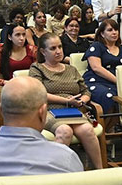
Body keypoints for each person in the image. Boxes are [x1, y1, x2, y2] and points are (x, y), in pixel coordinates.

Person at [29, 33, 103, 169]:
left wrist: (82, 101)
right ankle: (56, 173)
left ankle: (100, 170)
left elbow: (86, 91)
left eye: (60, 47)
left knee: (87, 130)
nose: (58, 51)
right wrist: (66, 101)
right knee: (65, 131)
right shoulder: (37, 68)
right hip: (49, 110)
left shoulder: (71, 69)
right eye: (53, 48)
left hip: (73, 110)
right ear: (43, 51)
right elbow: (38, 93)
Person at [83, 19, 122, 113]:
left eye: (116, 29)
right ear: (102, 34)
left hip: (116, 83)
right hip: (96, 81)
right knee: (109, 95)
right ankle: (106, 122)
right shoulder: (96, 46)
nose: (114, 32)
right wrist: (118, 81)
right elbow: (96, 68)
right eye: (110, 30)